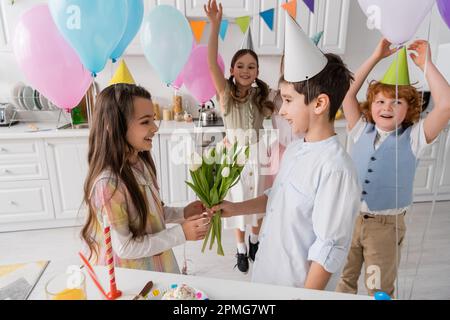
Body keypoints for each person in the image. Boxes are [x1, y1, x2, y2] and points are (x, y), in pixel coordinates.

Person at [209, 18, 361, 289]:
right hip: (267, 277)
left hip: (293, 289)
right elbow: (275, 198)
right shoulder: (294, 149)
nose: (281, 110)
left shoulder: (335, 169)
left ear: (320, 104)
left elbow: (328, 250)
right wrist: (235, 209)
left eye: (288, 100)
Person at [336, 39, 450, 297]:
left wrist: (426, 65)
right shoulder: (360, 130)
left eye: (396, 102)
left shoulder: (414, 138)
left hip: (384, 229)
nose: (386, 107)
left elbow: (446, 105)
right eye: (380, 101)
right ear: (371, 105)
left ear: (409, 108)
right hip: (350, 220)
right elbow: (346, 94)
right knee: (344, 281)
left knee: (379, 289)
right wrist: (376, 56)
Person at [81, 83, 209, 272]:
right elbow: (125, 247)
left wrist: (183, 213)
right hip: (133, 276)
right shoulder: (108, 184)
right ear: (114, 126)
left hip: (156, 262)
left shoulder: (139, 162)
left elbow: (149, 214)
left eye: (153, 119)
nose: (155, 127)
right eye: (145, 121)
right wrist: (181, 233)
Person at [204, 0, 275, 273]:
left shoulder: (262, 95)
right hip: (233, 158)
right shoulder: (225, 96)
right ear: (232, 70)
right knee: (235, 204)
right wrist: (215, 25)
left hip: (258, 157)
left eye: (252, 67)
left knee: (256, 201)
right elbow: (211, 63)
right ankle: (241, 249)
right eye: (241, 66)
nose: (246, 71)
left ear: (257, 72)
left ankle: (255, 240)